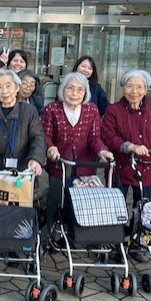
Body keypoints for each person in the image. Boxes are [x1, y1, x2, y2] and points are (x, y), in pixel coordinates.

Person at [101, 69, 151, 262]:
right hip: (121, 167)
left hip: (146, 168)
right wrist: (129, 146)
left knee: (142, 207)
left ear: (146, 90)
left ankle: (136, 244)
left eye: (139, 87)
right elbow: (108, 137)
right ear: (123, 88)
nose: (134, 91)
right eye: (130, 86)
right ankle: (115, 244)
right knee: (116, 207)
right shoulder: (113, 110)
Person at [42, 72, 113, 234]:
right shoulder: (52, 109)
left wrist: (102, 151)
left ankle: (78, 234)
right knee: (56, 197)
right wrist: (51, 148)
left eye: (80, 90)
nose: (74, 93)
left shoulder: (91, 110)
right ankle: (50, 232)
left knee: (81, 200)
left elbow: (95, 137)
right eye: (70, 88)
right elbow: (45, 135)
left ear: (85, 92)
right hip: (59, 162)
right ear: (62, 90)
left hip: (85, 162)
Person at [0, 68, 45, 174]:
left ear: (17, 88)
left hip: (22, 169)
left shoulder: (29, 111)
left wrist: (35, 159)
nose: (4, 91)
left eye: (8, 86)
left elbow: (37, 137)